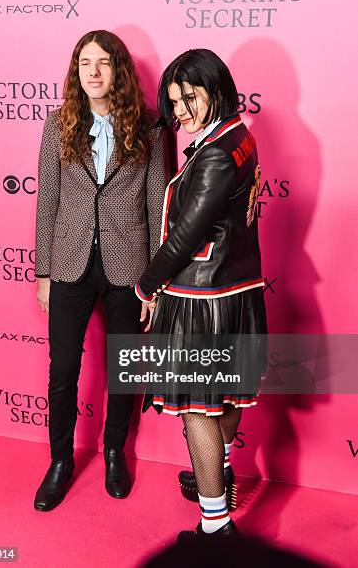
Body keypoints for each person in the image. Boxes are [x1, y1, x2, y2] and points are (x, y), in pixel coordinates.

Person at [34, 30, 168, 511]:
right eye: (84, 62)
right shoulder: (58, 125)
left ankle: (114, 451)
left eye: (103, 63)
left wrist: (153, 283)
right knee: (64, 367)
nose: (93, 72)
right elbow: (47, 201)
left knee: (125, 368)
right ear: (76, 71)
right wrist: (43, 272)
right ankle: (60, 460)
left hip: (129, 266)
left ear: (119, 71)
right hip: (69, 263)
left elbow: (158, 209)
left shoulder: (150, 128)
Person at [135, 49, 267, 539]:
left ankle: (215, 526)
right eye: (174, 102)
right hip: (235, 289)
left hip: (204, 297)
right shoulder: (237, 136)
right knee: (223, 398)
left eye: (189, 98)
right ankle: (219, 476)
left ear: (216, 88)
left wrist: (147, 285)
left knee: (197, 411)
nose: (181, 112)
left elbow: (185, 236)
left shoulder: (214, 152)